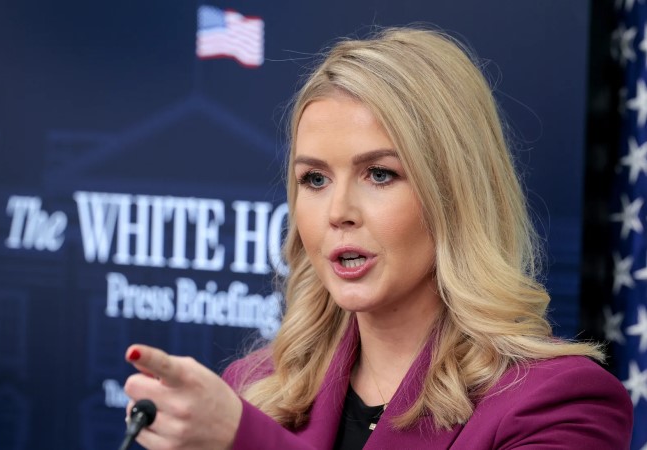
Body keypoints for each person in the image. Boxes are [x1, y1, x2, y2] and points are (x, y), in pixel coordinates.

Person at [122, 27, 634, 449]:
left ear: (454, 195)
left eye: (380, 174)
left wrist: (243, 439)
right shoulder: (252, 388)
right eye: (314, 179)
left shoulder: (560, 402)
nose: (338, 213)